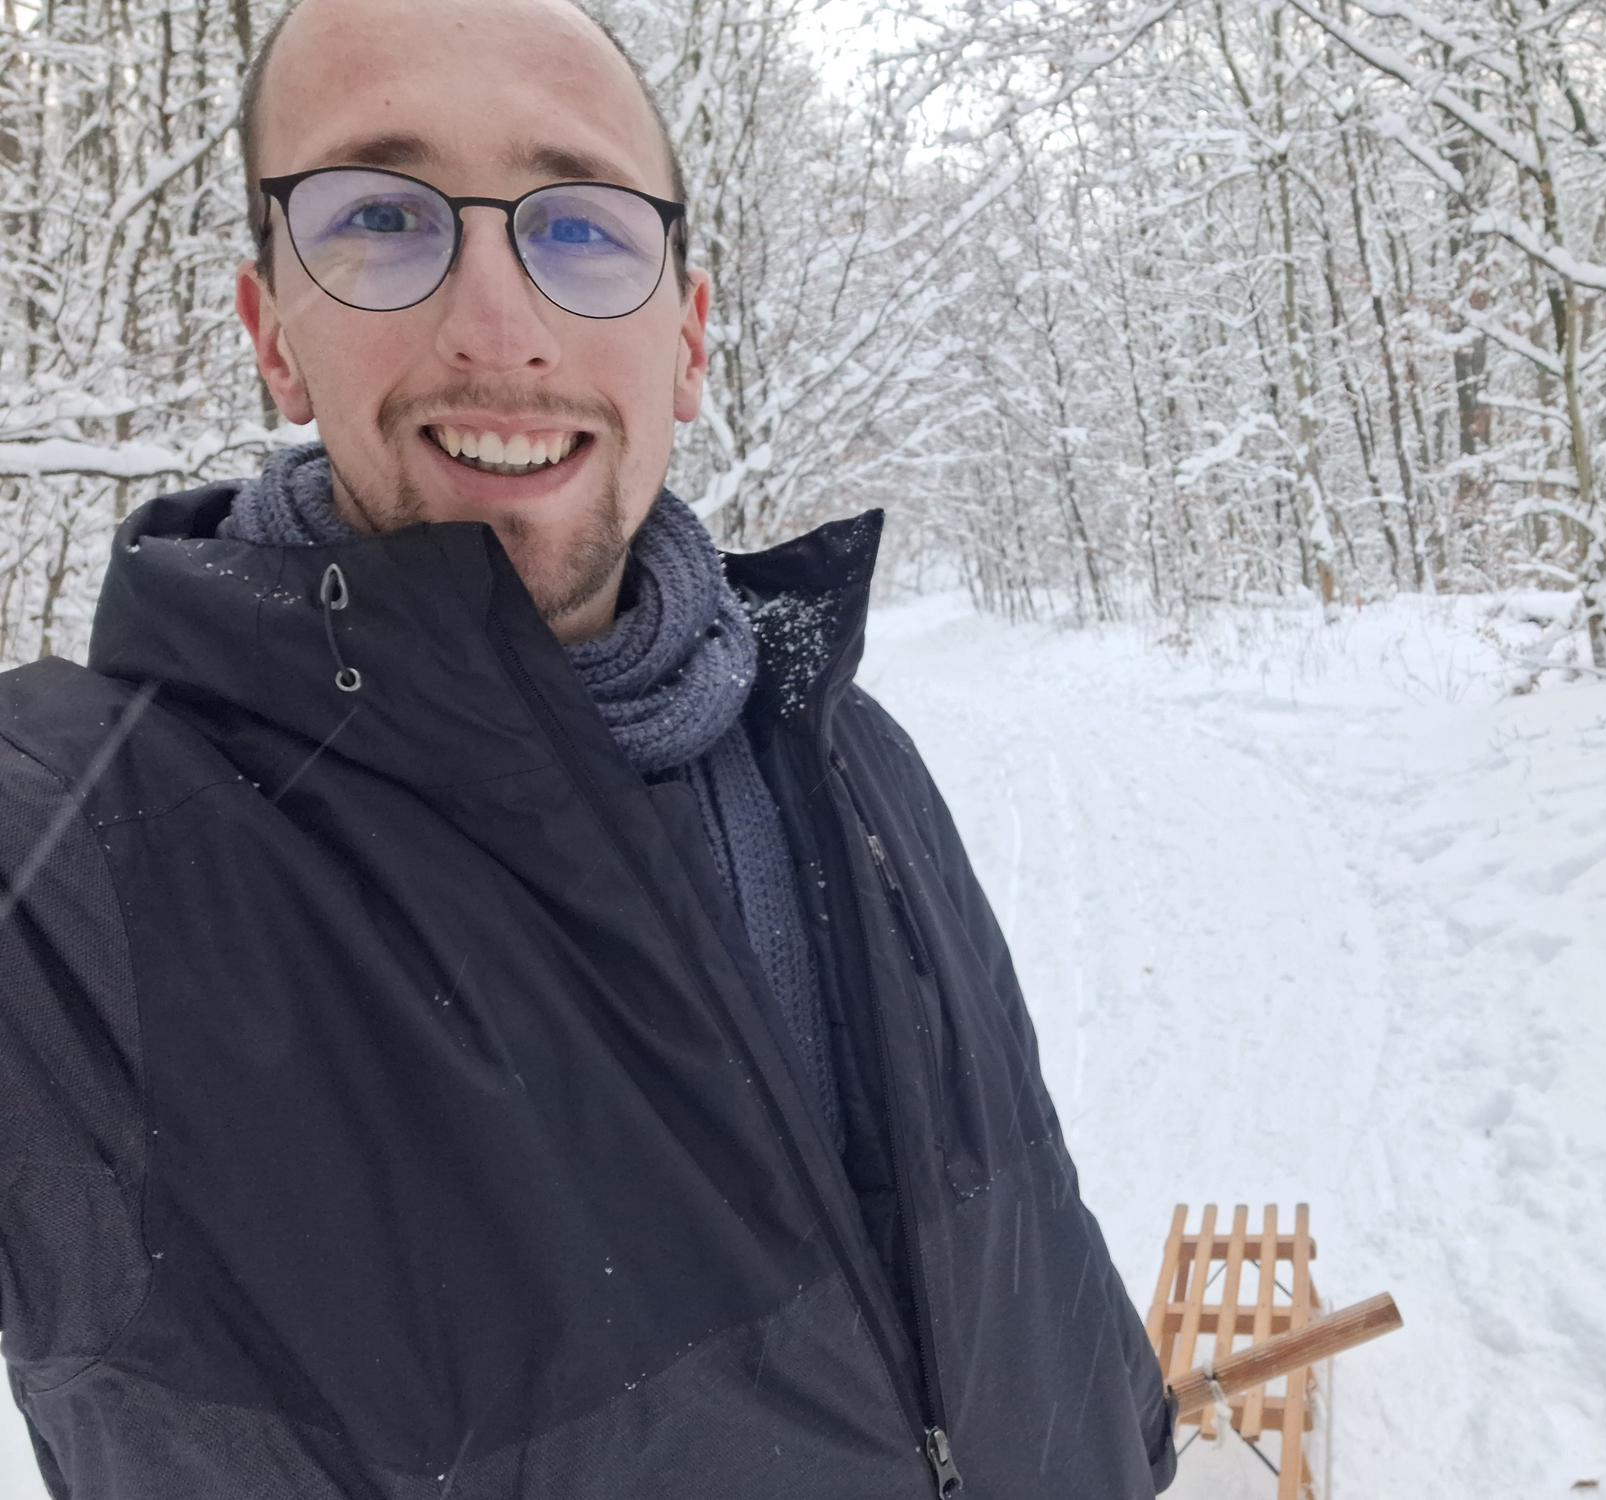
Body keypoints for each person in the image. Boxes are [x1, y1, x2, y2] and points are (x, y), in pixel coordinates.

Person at [0, 0, 1177, 1494]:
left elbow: (1024, 1240)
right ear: (270, 334)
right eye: (378, 217)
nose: (499, 328)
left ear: (684, 340)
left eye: (582, 230)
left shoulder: (848, 748)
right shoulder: (79, 878)